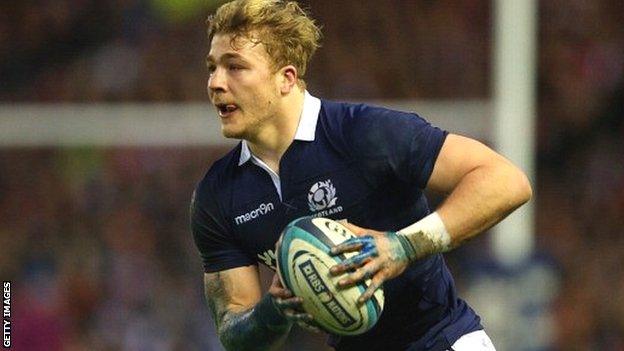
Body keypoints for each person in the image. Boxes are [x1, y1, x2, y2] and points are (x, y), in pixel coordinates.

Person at [190, 0, 532, 350]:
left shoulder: (363, 134)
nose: (216, 83)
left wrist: (402, 246)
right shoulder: (217, 196)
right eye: (212, 67)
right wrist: (273, 310)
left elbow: (506, 181)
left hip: (442, 340)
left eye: (235, 67)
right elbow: (233, 330)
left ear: (286, 78)